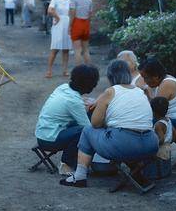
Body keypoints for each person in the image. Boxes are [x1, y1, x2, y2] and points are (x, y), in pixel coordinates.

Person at [60, 59, 158, 188]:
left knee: (88, 130)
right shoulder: (140, 92)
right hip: (150, 144)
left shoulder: (111, 91)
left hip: (124, 145)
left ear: (110, 76)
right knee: (124, 135)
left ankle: (79, 176)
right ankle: (137, 173)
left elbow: (95, 123)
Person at [35, 65, 99, 175]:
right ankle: (66, 165)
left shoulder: (63, 87)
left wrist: (85, 104)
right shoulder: (74, 101)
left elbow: (73, 102)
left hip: (43, 134)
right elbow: (88, 128)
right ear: (89, 85)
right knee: (83, 131)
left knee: (84, 121)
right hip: (50, 139)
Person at [139, 58, 176, 141]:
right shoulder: (158, 83)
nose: (145, 81)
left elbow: (154, 111)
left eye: (146, 78)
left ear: (156, 76)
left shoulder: (167, 84)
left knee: (142, 125)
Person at [145, 96, 176, 179]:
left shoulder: (159, 125)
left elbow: (161, 139)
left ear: (154, 112)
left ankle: (156, 175)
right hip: (167, 146)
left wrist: (153, 145)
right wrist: (169, 141)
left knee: (156, 161)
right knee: (166, 161)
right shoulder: (168, 120)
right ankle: (165, 173)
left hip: (160, 148)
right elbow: (175, 133)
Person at [46, 0, 72, 78]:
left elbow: (71, 13)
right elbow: (50, 10)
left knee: (66, 49)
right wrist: (57, 17)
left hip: (67, 25)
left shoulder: (69, 1)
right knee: (55, 49)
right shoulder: (55, 0)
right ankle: (49, 70)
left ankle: (65, 70)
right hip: (58, 25)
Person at [69, 0, 93, 65]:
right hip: (86, 23)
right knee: (86, 50)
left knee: (77, 50)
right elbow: (90, 15)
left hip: (77, 23)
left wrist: (70, 26)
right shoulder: (89, 0)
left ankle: (78, 70)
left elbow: (72, 13)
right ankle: (89, 68)